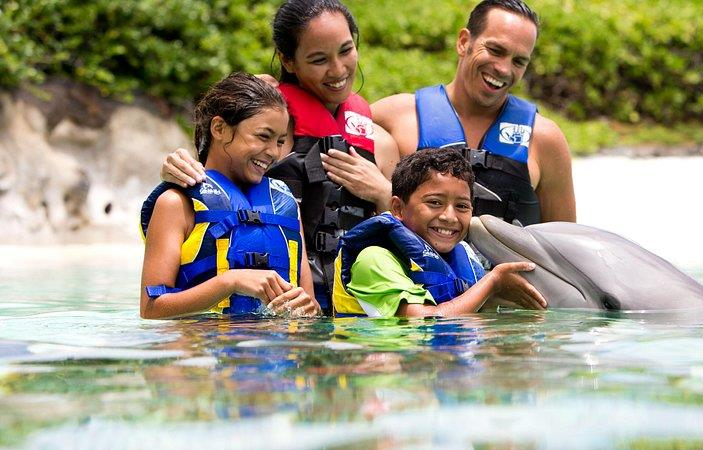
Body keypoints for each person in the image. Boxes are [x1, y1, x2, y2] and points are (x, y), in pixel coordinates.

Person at [156, 0, 397, 314]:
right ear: (287, 60)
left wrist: (383, 194)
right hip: (271, 302)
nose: (338, 70)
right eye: (318, 59)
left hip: (351, 306)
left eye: (346, 50)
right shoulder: (261, 121)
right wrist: (177, 166)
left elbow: (407, 240)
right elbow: (213, 182)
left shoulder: (379, 141)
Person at [372, 0, 575, 226]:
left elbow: (565, 243)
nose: (504, 69)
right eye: (495, 50)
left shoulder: (544, 139)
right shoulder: (392, 117)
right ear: (463, 42)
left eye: (518, 61)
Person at [140, 73, 319, 319]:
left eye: (280, 141)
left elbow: (309, 304)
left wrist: (310, 308)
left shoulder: (286, 205)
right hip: (203, 342)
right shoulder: (176, 203)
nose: (273, 153)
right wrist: (230, 281)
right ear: (219, 128)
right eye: (263, 136)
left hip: (280, 343)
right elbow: (151, 309)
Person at [332, 148, 546, 317]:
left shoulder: (464, 255)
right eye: (434, 202)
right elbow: (425, 321)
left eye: (462, 206)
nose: (449, 217)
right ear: (398, 208)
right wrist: (493, 282)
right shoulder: (374, 260)